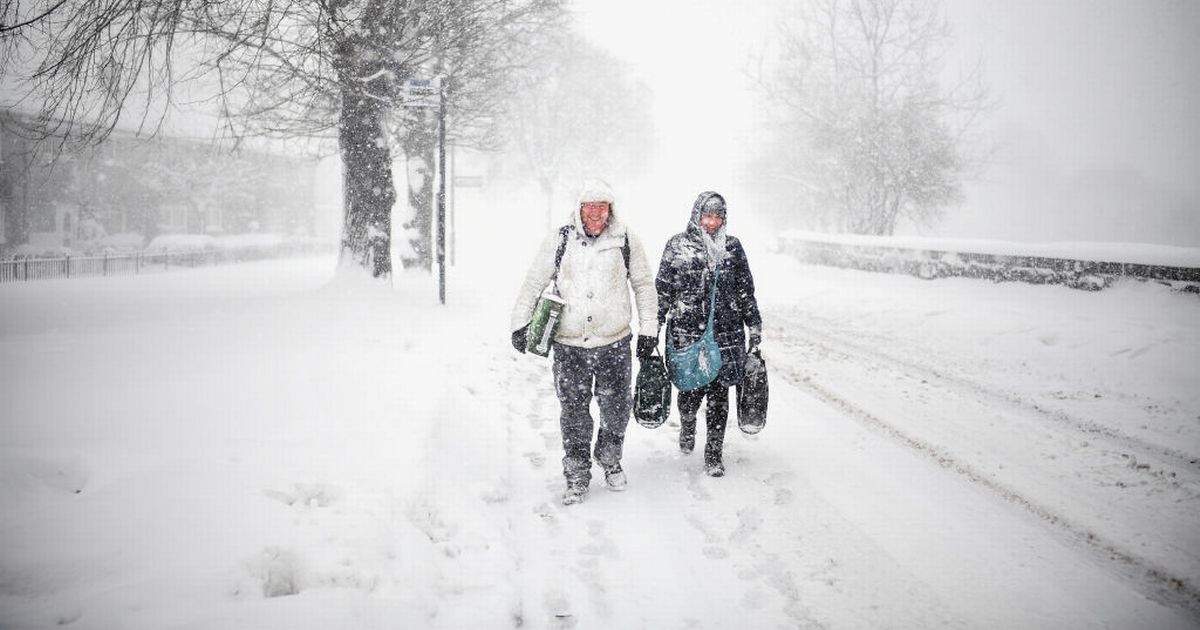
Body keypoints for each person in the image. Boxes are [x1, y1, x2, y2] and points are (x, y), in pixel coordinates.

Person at [510, 179, 659, 505]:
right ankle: (576, 474)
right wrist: (520, 324)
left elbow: (645, 286)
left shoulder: (626, 239)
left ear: (610, 210)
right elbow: (534, 281)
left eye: (602, 207)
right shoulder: (561, 239)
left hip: (614, 344)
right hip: (570, 346)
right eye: (590, 207)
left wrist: (649, 329)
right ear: (580, 209)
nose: (595, 214)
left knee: (617, 409)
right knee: (574, 412)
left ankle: (609, 457)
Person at [655, 191, 762, 477]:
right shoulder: (677, 246)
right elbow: (663, 290)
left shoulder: (733, 248)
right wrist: (651, 329)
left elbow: (745, 291)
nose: (712, 222)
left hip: (726, 334)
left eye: (718, 217)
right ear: (696, 215)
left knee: (719, 395)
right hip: (687, 334)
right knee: (690, 391)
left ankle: (713, 453)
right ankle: (688, 423)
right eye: (707, 216)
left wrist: (754, 325)